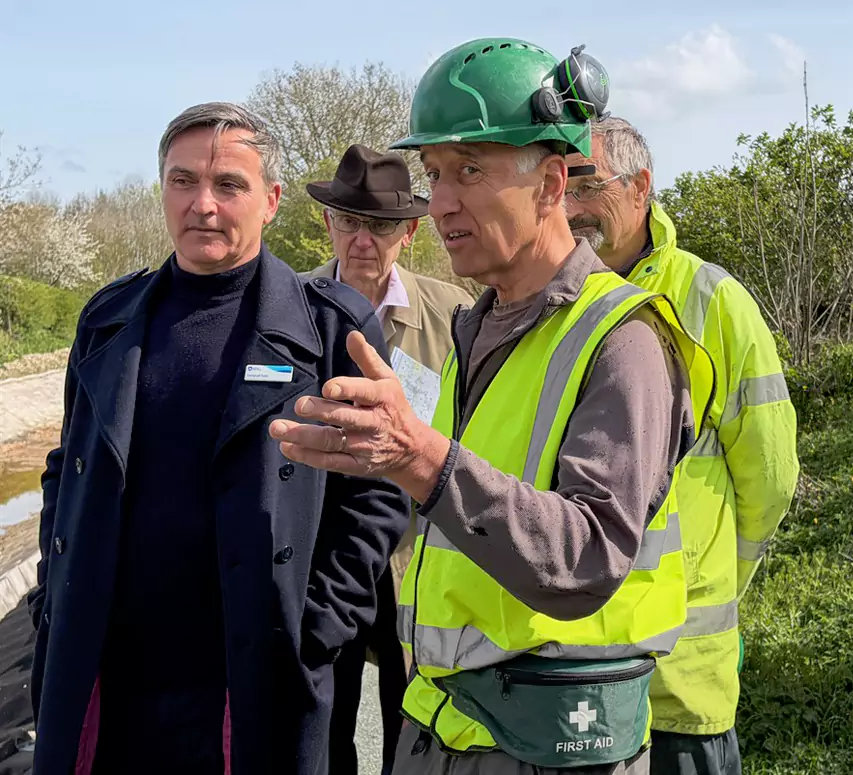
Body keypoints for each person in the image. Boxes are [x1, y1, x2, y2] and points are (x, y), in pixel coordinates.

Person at [268, 37, 717, 774]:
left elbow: (587, 553)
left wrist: (420, 456)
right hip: (449, 724)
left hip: (555, 740)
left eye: (470, 170)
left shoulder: (623, 340)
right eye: (436, 172)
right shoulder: (475, 325)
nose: (441, 201)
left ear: (549, 184)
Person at [26, 101, 411, 775]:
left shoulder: (331, 331)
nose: (203, 204)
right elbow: (68, 465)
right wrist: (55, 593)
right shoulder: (108, 319)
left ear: (271, 199)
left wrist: (314, 628)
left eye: (228, 185)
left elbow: (376, 496)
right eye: (182, 182)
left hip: (250, 681)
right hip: (111, 677)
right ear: (163, 189)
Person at [564, 116, 800, 775]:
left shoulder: (710, 300)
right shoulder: (547, 302)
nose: (571, 208)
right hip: (567, 671)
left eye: (588, 185)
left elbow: (772, 475)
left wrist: (713, 573)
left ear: (641, 187)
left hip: (679, 682)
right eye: (561, 189)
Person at [302, 142, 476, 774]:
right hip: (328, 556)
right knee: (325, 719)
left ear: (407, 230)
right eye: (350, 222)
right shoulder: (292, 310)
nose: (363, 240)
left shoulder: (453, 314)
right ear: (329, 223)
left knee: (413, 720)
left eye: (379, 225)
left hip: (417, 556)